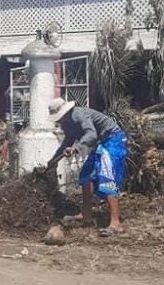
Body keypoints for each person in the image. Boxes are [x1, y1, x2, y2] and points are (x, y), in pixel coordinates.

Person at [48, 98, 127, 236]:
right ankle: (86, 215)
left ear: (65, 112)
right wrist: (53, 160)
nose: (59, 121)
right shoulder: (67, 123)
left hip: (113, 139)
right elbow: (67, 141)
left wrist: (75, 148)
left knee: (106, 177)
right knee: (86, 176)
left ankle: (115, 223)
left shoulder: (79, 115)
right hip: (102, 143)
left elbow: (91, 134)